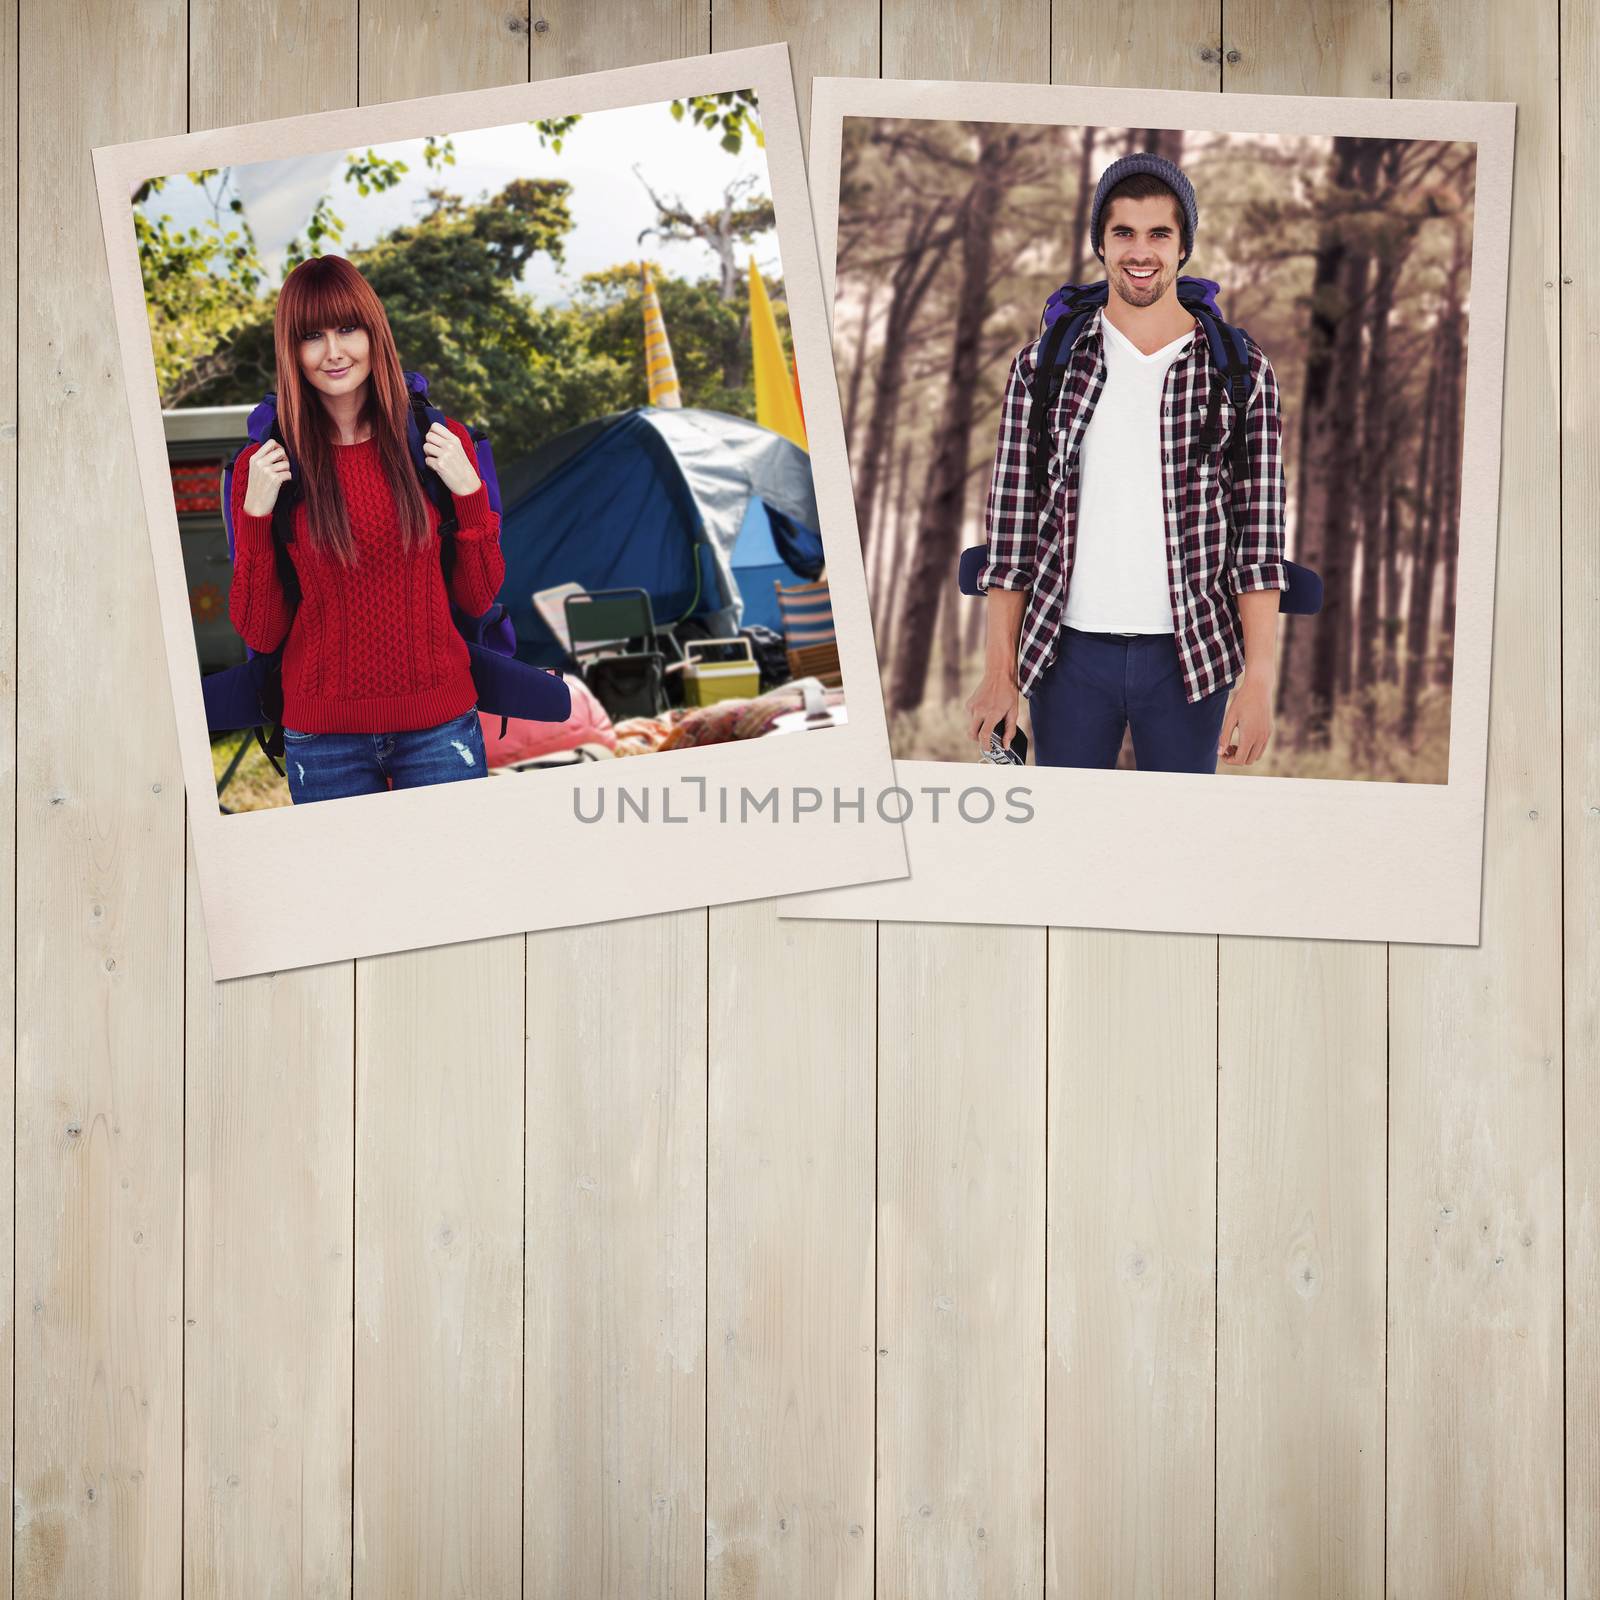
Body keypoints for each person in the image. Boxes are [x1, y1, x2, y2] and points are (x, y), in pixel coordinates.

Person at [966, 152, 1289, 772]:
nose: (1141, 252)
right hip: (1065, 657)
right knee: (1067, 848)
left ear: (1183, 246)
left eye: (1159, 234)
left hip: (1191, 660)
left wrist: (1260, 681)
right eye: (1124, 234)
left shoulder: (1239, 371)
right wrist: (998, 674)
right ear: (1101, 244)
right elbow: (1011, 532)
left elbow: (1260, 542)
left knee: (1175, 848)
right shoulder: (1044, 367)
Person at [227, 254, 507, 804]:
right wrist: (256, 518)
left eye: (348, 328)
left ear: (374, 332)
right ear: (291, 350)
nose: (334, 352)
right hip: (322, 741)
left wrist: (470, 495)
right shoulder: (263, 465)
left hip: (440, 727)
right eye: (312, 336)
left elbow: (477, 598)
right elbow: (259, 631)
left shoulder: (437, 440)